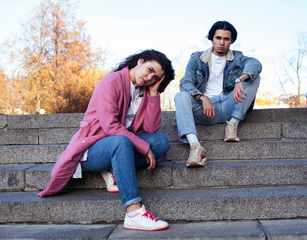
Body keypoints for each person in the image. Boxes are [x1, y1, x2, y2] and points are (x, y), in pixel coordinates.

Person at [37, 49, 175, 231]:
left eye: (155, 77)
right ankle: (134, 211)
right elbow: (110, 126)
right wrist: (142, 147)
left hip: (120, 145)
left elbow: (150, 128)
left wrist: (154, 93)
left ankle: (114, 167)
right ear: (140, 61)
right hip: (95, 148)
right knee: (121, 141)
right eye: (149, 70)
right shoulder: (112, 81)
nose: (149, 77)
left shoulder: (143, 91)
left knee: (161, 142)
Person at [174, 21, 262, 168]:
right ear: (212, 38)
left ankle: (233, 125)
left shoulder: (238, 58)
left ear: (232, 41)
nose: (222, 42)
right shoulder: (197, 58)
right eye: (218, 38)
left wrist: (240, 79)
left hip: (230, 104)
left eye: (226, 39)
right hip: (206, 110)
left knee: (254, 76)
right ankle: (195, 147)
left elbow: (256, 64)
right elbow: (186, 83)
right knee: (180, 96)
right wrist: (202, 97)